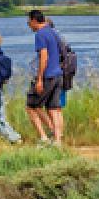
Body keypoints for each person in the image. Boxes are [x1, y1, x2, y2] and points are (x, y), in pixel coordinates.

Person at [25, 9, 65, 146]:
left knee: (31, 106)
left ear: (34, 20)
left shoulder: (40, 34)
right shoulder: (53, 32)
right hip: (58, 74)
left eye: (28, 22)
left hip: (47, 75)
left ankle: (44, 137)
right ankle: (57, 140)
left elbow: (44, 56)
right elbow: (61, 51)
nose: (28, 24)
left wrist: (40, 78)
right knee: (53, 108)